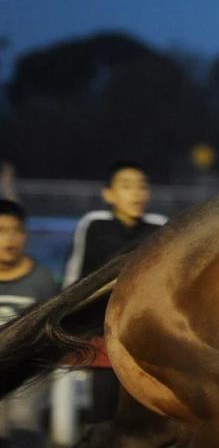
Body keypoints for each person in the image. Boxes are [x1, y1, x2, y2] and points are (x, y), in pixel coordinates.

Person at [63, 161, 167, 424]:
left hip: (143, 336)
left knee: (138, 421)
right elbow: (76, 278)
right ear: (109, 194)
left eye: (142, 187)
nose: (136, 193)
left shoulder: (159, 228)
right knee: (103, 415)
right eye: (127, 186)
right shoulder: (94, 225)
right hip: (102, 333)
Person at [0, 199, 60, 448]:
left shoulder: (43, 280)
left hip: (27, 373)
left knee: (22, 415)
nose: (9, 238)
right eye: (2, 231)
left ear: (25, 235)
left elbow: (54, 331)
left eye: (15, 231)